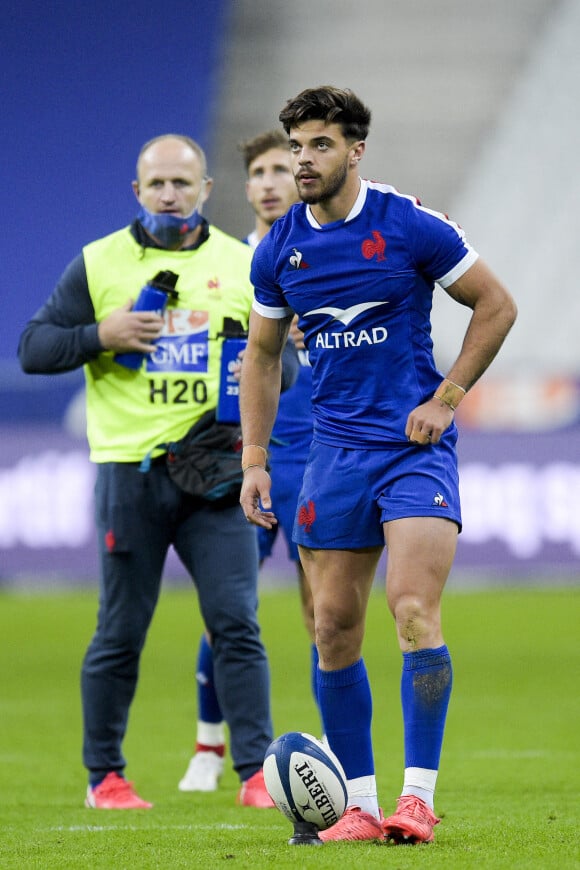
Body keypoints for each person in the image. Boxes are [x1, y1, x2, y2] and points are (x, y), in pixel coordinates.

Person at [239, 86, 517, 844]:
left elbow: (495, 304)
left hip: (412, 451)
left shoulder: (407, 223)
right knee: (331, 626)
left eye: (319, 145)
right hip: (332, 455)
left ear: (355, 150)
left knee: (412, 609)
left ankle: (417, 798)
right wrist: (255, 457)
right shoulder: (279, 248)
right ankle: (359, 806)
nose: (303, 160)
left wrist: (449, 396)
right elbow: (261, 356)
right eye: (295, 146)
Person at [18, 134, 298, 810]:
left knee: (236, 621)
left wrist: (257, 370)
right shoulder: (99, 263)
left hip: (215, 475)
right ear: (137, 193)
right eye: (157, 184)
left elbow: (282, 368)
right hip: (130, 475)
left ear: (206, 190)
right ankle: (105, 777)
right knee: (120, 629)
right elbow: (33, 348)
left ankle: (256, 773)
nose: (169, 194)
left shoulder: (244, 262)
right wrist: (99, 336)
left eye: (183, 182)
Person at [179, 130, 319, 794]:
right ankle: (210, 745)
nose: (267, 181)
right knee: (230, 608)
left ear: (300, 178)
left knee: (323, 609)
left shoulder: (327, 249)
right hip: (251, 454)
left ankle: (328, 740)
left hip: (321, 452)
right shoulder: (232, 265)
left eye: (278, 170)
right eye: (256, 172)